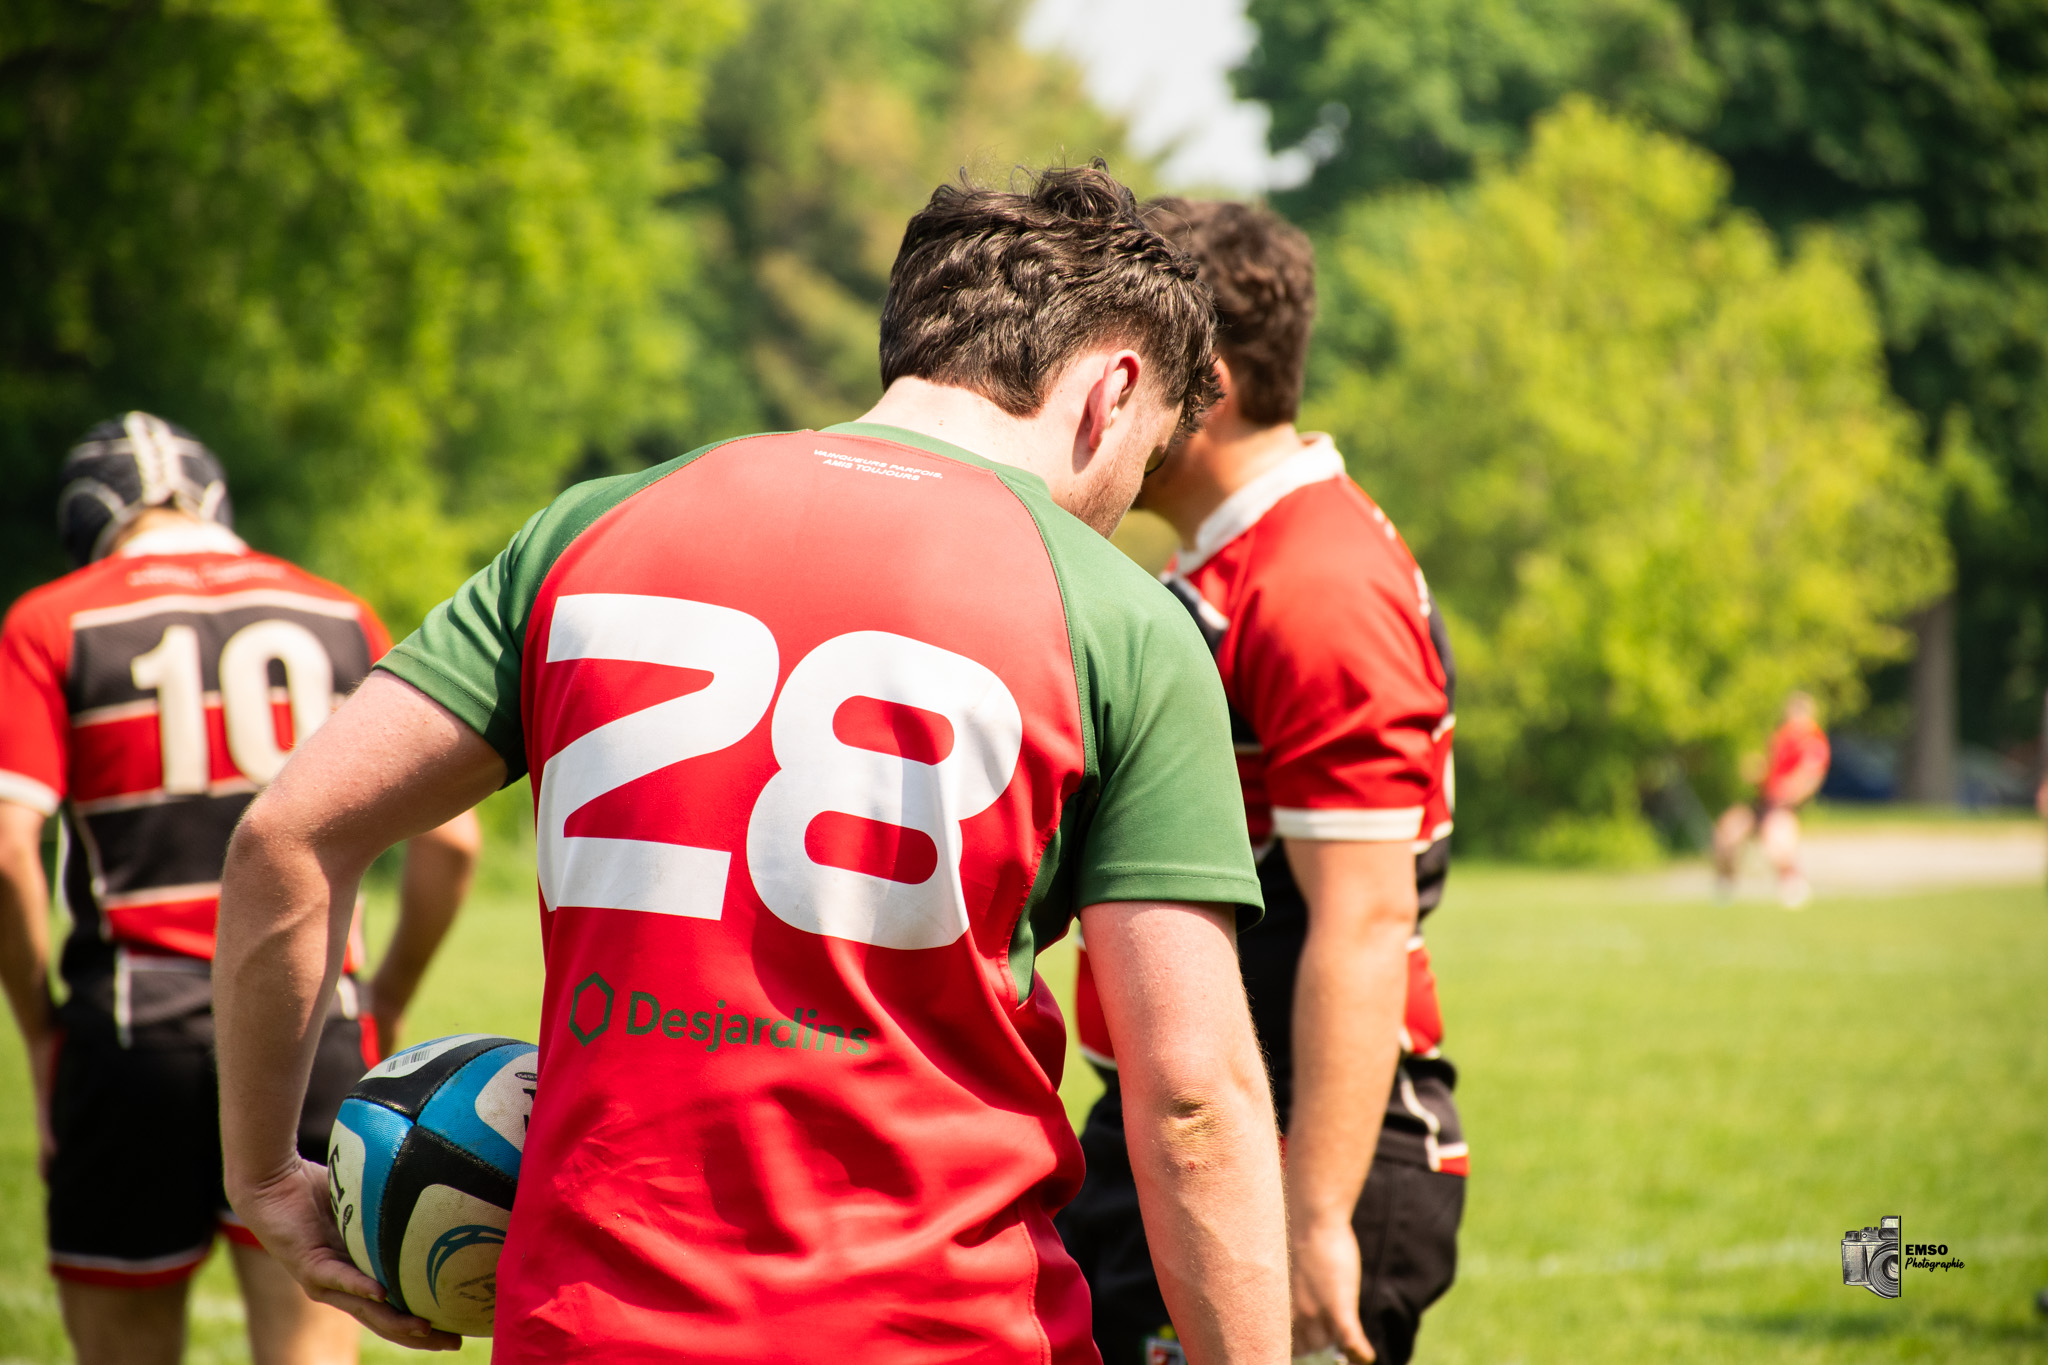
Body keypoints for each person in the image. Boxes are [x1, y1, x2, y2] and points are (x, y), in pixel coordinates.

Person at [211, 165, 1291, 1364]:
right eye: (1142, 462)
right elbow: (1191, 1102)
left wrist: (265, 1174)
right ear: (1114, 387)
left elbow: (288, 837)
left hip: (588, 1329)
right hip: (940, 1330)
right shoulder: (1121, 621)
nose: (1125, 505)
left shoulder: (597, 524)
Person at [1058, 199, 1464, 1365]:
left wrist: (1314, 1215)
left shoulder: (1315, 578)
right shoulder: (1237, 559)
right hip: (1193, 1130)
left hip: (1289, 1145)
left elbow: (1365, 910)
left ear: (1211, 382)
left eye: (1129, 363)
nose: (1102, 399)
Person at [0, 412, 482, 1365]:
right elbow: (455, 845)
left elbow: (9, 842)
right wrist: (376, 997)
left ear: (87, 522)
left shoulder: (55, 620)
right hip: (314, 1022)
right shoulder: (337, 614)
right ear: (217, 503)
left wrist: (43, 1030)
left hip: (132, 1029)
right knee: (309, 1339)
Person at [1712, 692, 1831, 907]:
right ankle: (1725, 884)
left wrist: (1790, 794)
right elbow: (1768, 770)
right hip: (1762, 802)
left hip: (1784, 806)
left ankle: (1793, 885)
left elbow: (1810, 777)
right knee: (1727, 832)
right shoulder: (1780, 737)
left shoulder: (1814, 742)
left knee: (1777, 843)